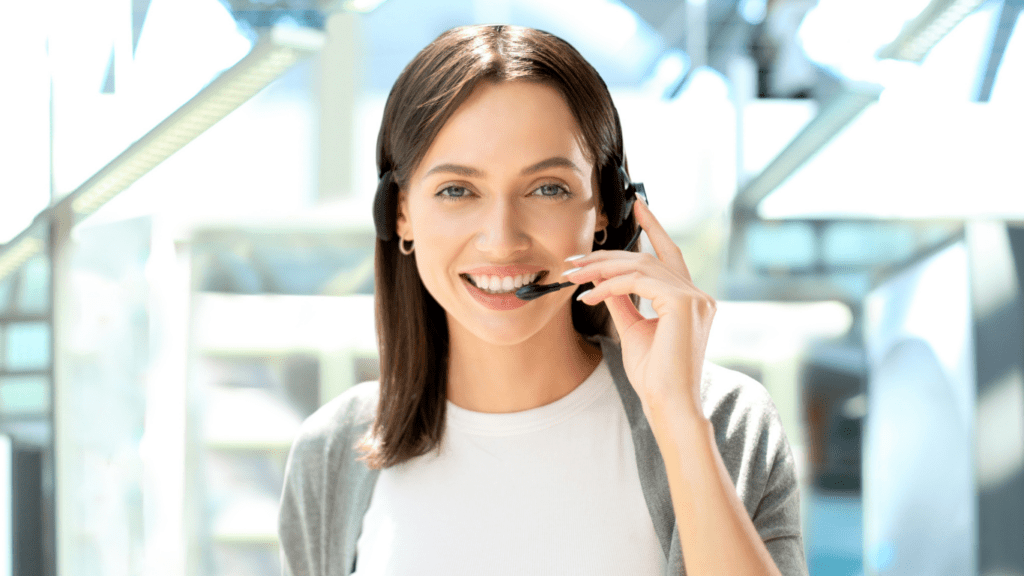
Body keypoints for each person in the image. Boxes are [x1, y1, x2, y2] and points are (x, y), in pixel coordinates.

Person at [278, 24, 807, 576]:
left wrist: (677, 416)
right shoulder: (334, 451)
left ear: (607, 209)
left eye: (547, 188)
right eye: (457, 190)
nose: (503, 239)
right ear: (402, 213)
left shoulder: (721, 420)